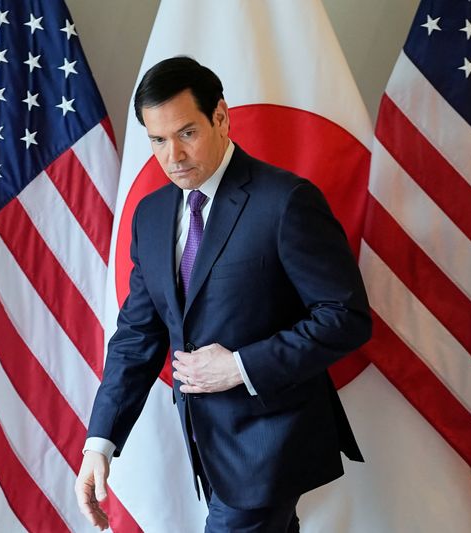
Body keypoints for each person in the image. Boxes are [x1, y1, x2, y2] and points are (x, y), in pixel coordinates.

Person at [75, 56, 372, 533]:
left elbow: (345, 316)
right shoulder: (150, 216)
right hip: (202, 445)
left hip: (271, 440)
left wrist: (239, 366)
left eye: (187, 133)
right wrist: (99, 444)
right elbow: (137, 336)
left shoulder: (286, 201)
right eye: (158, 140)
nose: (173, 156)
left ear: (220, 116)